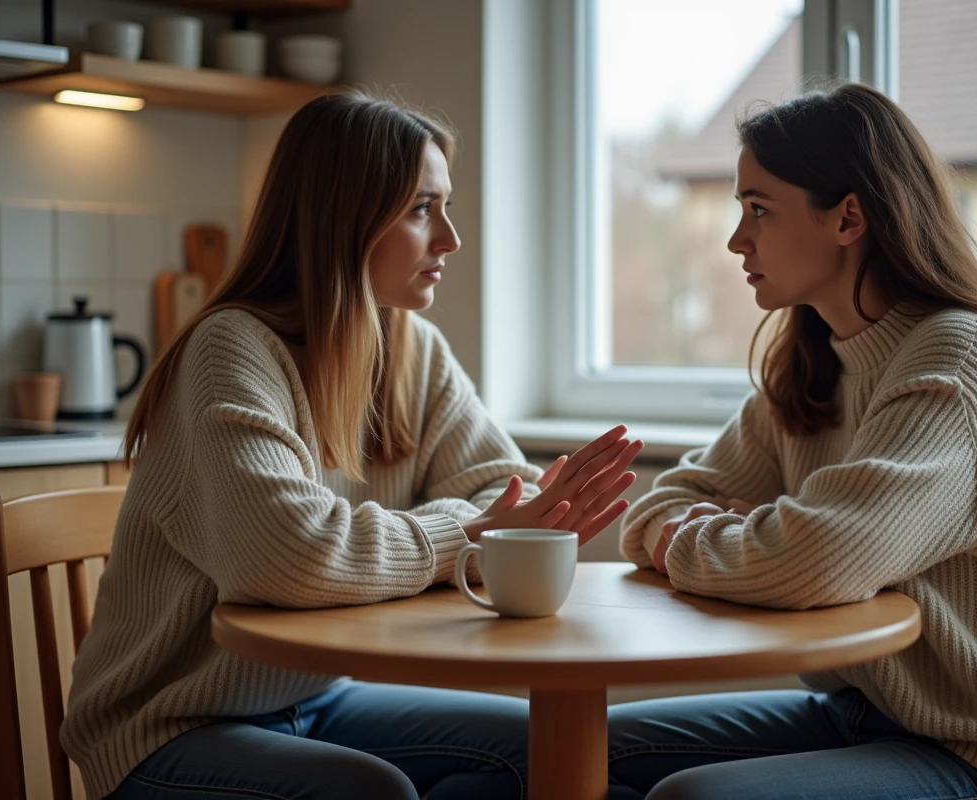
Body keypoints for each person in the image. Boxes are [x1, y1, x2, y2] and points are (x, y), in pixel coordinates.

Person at [61, 88, 643, 800]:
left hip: (318, 697)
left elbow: (506, 487)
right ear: (343, 218)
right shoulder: (230, 352)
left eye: (444, 205)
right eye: (422, 209)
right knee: (370, 793)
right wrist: (475, 533)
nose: (450, 239)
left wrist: (489, 526)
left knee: (556, 754)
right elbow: (292, 557)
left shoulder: (410, 347)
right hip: (169, 726)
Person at [606, 83, 977, 800]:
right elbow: (661, 504)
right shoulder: (818, 360)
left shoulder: (956, 357)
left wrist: (693, 542)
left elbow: (817, 560)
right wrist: (725, 532)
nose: (738, 239)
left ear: (849, 217)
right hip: (859, 714)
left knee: (689, 797)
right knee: (572, 754)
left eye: (759, 209)